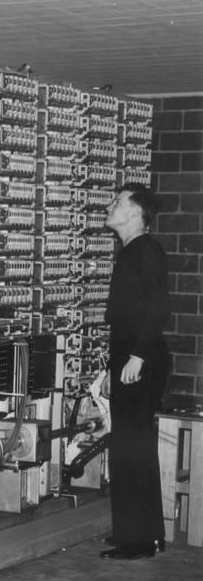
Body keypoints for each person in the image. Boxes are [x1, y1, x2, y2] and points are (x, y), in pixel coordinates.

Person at [100, 183, 170, 561]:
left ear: (137, 214)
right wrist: (117, 365)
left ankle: (140, 540)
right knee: (129, 442)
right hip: (129, 354)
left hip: (142, 355)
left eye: (119, 202)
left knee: (133, 444)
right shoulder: (131, 251)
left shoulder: (147, 249)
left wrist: (138, 358)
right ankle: (140, 534)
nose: (111, 205)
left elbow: (158, 309)